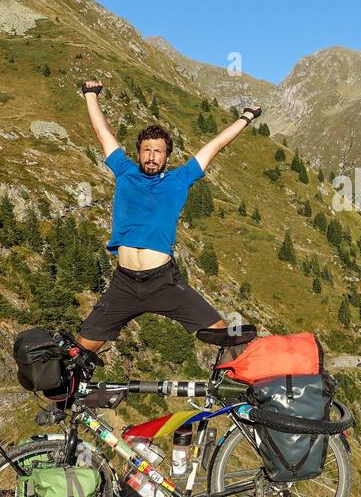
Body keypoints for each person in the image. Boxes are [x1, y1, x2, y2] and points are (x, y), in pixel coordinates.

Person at [72, 79, 259, 369]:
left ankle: (251, 392)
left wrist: (246, 118)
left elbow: (216, 145)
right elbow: (102, 132)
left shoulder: (179, 179)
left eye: (158, 151)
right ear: (138, 152)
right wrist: (90, 95)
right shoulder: (124, 170)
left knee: (223, 334)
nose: (151, 156)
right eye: (146, 150)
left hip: (163, 282)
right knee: (80, 352)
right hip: (123, 284)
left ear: (167, 156)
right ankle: (63, 405)